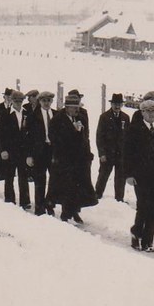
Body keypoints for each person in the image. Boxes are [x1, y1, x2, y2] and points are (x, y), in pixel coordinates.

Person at [123, 98, 154, 252]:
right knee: (143, 206)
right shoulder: (133, 130)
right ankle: (136, 233)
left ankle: (148, 241)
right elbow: (127, 154)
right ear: (142, 113)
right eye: (148, 111)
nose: (151, 114)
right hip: (140, 175)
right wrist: (129, 174)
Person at [47, 94, 97, 223]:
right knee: (64, 187)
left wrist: (87, 153)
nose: (77, 110)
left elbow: (84, 138)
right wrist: (73, 132)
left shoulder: (80, 118)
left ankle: (73, 211)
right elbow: (55, 140)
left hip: (78, 160)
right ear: (67, 107)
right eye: (74, 107)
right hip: (63, 160)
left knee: (76, 187)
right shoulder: (57, 120)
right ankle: (62, 212)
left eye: (78, 107)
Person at [95, 92, 130, 201]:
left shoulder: (125, 118)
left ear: (122, 105)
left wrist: (127, 154)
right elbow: (99, 136)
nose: (117, 106)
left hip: (121, 154)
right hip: (108, 153)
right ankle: (97, 195)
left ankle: (119, 199)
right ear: (111, 104)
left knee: (120, 178)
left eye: (119, 104)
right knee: (103, 175)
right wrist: (102, 153)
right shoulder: (104, 117)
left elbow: (128, 137)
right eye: (115, 104)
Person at [24, 91, 55, 215]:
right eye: (44, 101)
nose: (46, 103)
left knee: (54, 180)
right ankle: (39, 208)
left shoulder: (56, 115)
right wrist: (29, 155)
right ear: (40, 102)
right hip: (39, 152)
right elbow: (28, 138)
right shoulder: (33, 116)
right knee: (40, 180)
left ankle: (50, 204)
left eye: (49, 100)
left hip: (53, 151)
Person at [0, 88, 28, 206]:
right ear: (12, 101)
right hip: (10, 150)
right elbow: (0, 134)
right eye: (16, 101)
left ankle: (25, 201)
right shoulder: (5, 114)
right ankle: (10, 199)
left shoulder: (27, 113)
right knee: (9, 176)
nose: (18, 103)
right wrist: (3, 150)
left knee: (23, 176)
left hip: (23, 150)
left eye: (20, 101)